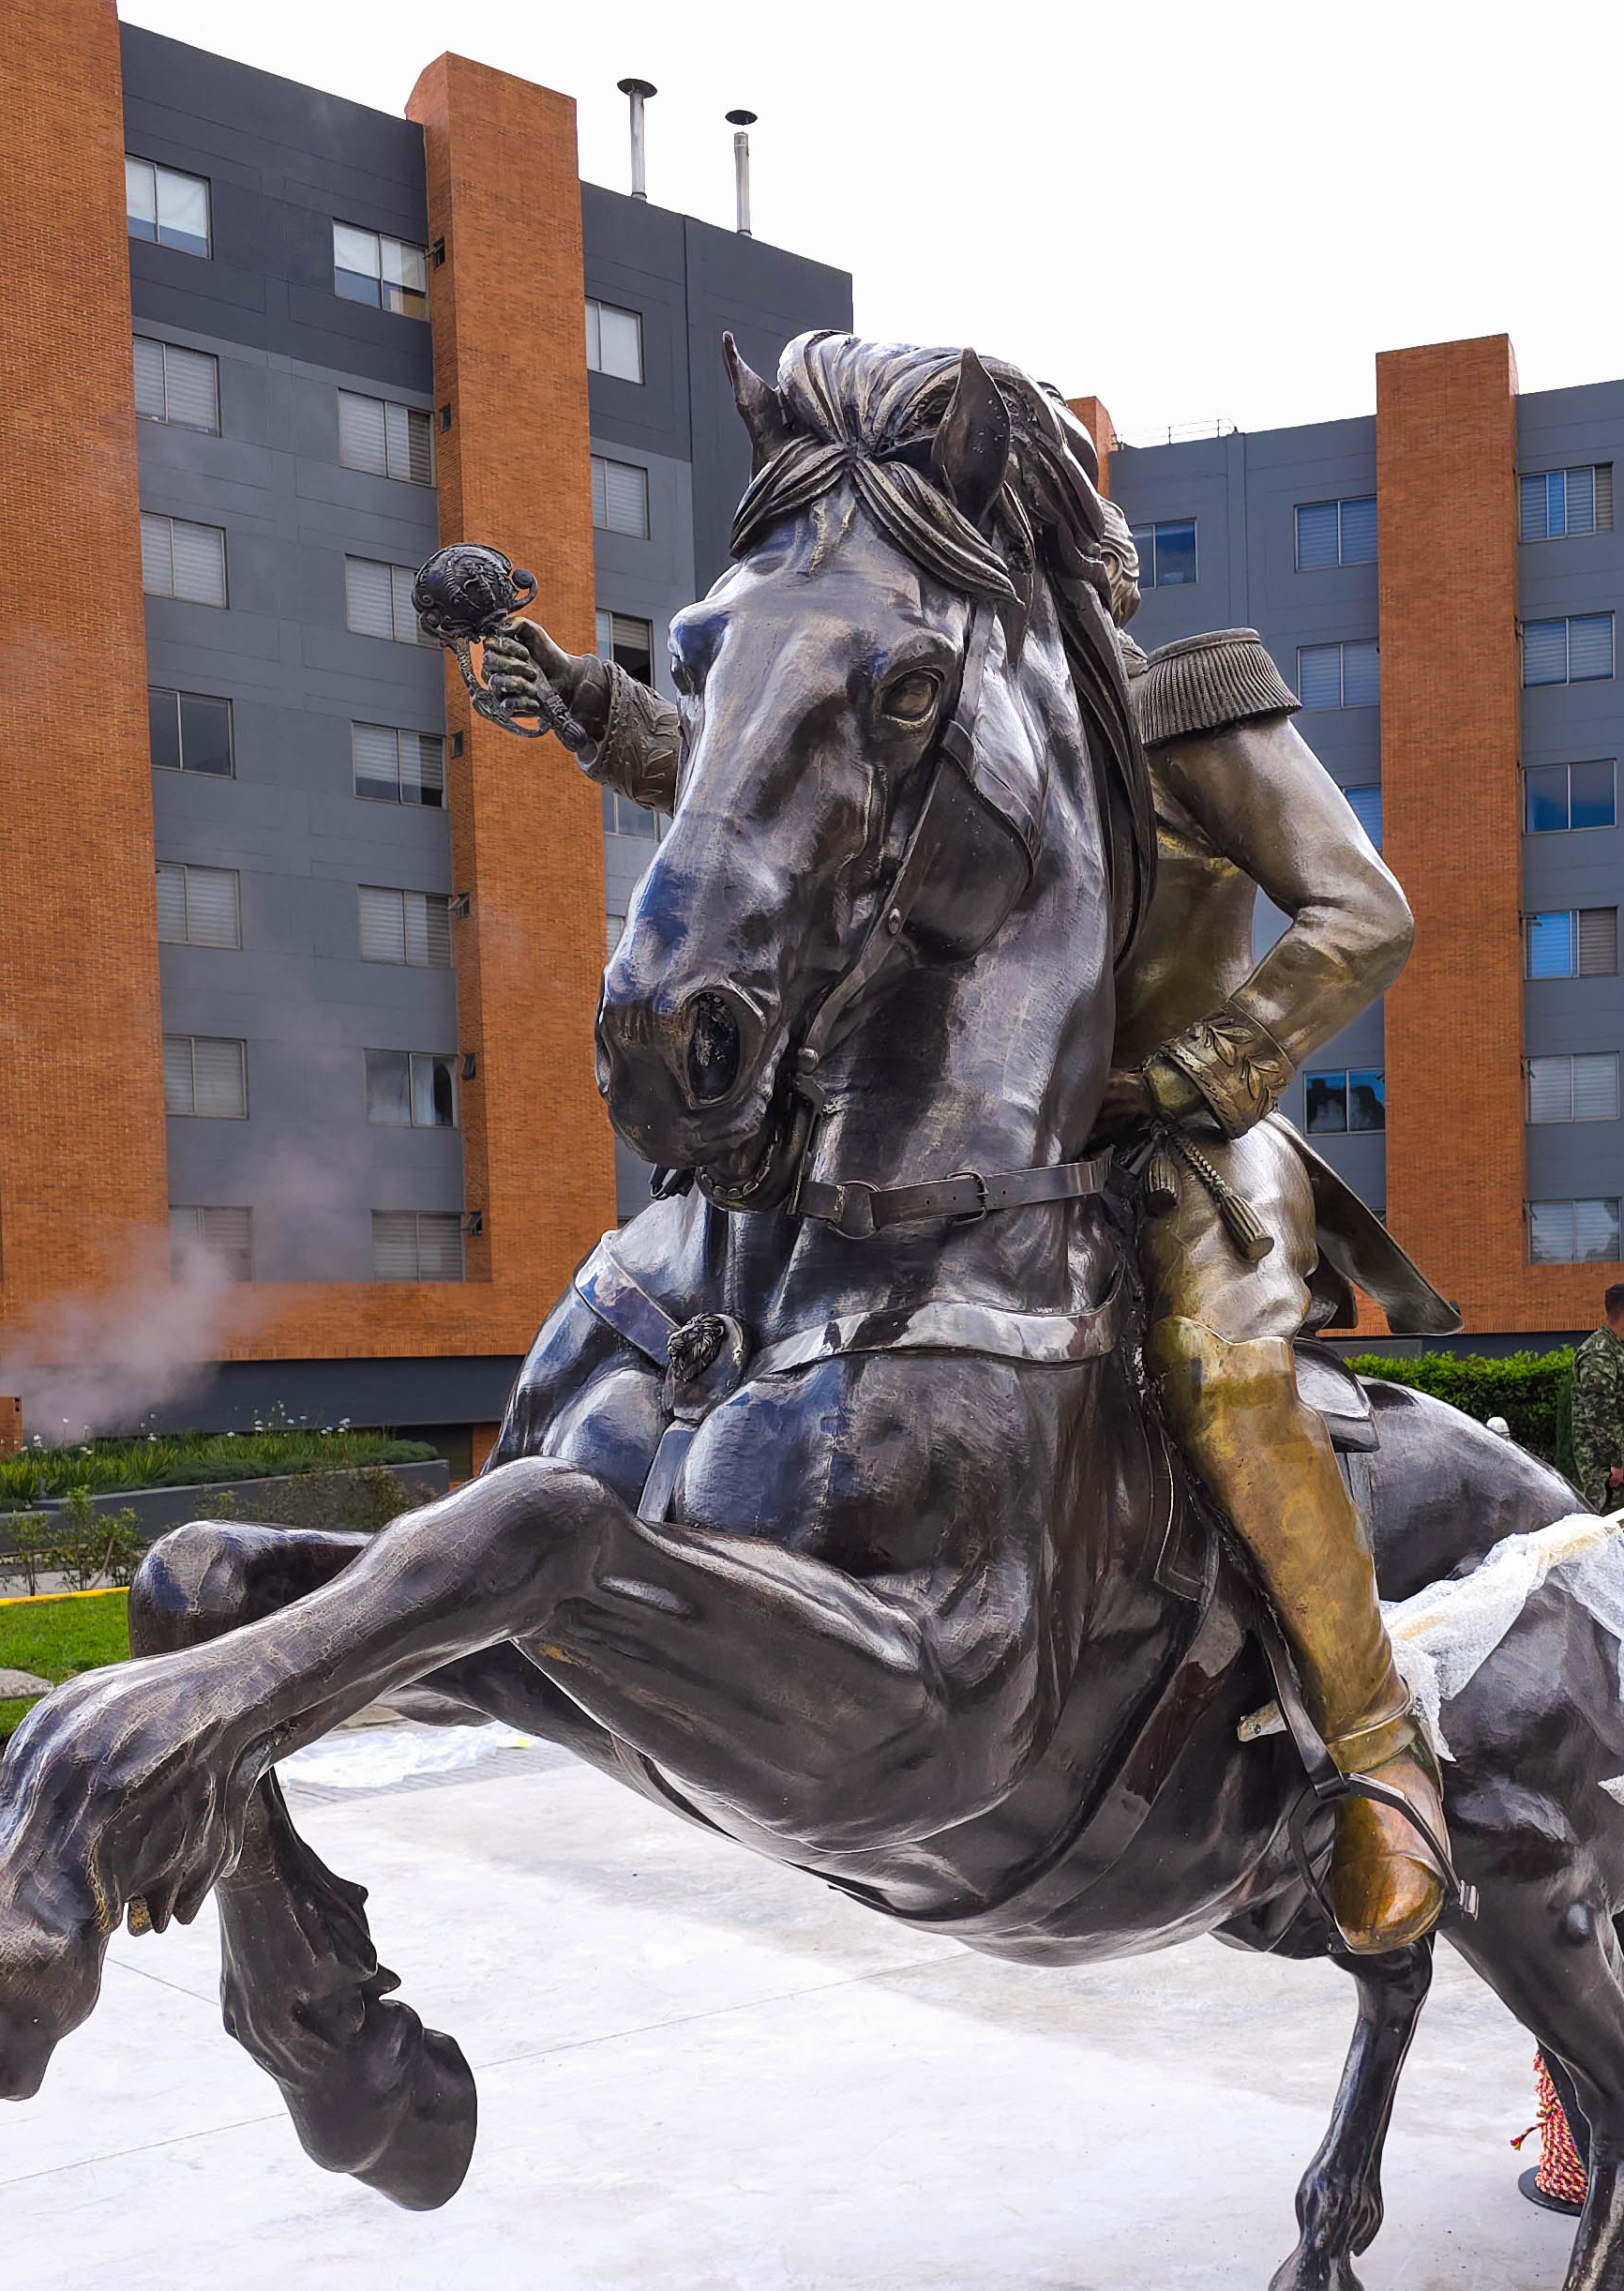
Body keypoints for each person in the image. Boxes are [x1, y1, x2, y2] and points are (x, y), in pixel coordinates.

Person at [478, 388, 1461, 1954]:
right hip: (972, 1141)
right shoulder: (965, 739)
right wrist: (597, 708)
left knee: (1222, 1376)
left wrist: (1206, 1069)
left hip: (1181, 1140)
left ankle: (1375, 1752)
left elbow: (1364, 914)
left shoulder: (1192, 707)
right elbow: (789, 774)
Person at [1566, 1282, 1624, 1513]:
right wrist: (1616, 1461)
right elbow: (1600, 1414)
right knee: (1612, 1529)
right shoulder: (1599, 1352)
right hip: (1609, 1473)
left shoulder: (1623, 1349)